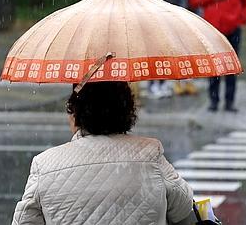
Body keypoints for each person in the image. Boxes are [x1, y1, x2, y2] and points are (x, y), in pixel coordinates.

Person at [12, 82, 195, 225]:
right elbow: (185, 210)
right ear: (127, 111)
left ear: (76, 113)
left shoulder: (44, 165)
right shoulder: (150, 153)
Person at [189, 0, 246, 112]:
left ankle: (230, 101)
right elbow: (194, 0)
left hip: (233, 28)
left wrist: (242, 18)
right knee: (214, 67)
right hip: (213, 30)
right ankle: (213, 100)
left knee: (232, 66)